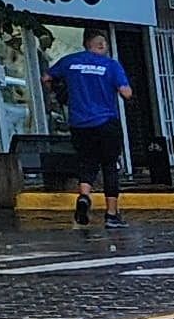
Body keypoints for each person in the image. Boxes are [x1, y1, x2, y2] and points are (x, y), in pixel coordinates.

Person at [46, 28, 138, 226]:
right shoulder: (111, 65)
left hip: (79, 124)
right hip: (106, 123)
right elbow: (126, 92)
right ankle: (112, 215)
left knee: (87, 163)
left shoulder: (69, 62)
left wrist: (59, 92)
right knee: (110, 166)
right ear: (102, 44)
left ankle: (84, 197)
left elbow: (46, 78)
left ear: (85, 43)